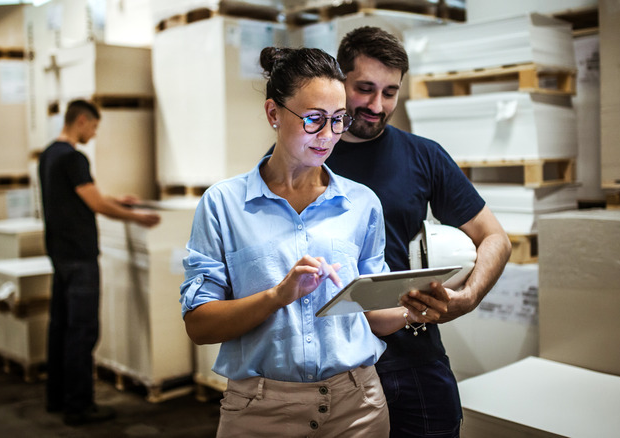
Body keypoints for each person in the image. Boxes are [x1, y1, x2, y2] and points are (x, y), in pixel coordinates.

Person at [180, 47, 435, 438]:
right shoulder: (224, 204)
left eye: (338, 119)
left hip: (357, 407)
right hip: (259, 412)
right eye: (314, 119)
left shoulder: (362, 203)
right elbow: (199, 326)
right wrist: (278, 295)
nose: (328, 136)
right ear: (273, 113)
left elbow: (370, 314)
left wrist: (413, 310)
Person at [327, 27, 513, 437]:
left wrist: (468, 297)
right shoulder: (305, 156)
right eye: (365, 89)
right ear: (340, 81)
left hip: (413, 356)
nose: (377, 105)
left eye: (390, 92)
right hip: (333, 362)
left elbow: (495, 238)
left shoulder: (423, 155)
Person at [38, 99, 161, 426]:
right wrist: (137, 217)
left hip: (59, 254)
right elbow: (95, 204)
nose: (93, 133)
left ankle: (56, 398)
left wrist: (116, 199)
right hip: (80, 256)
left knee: (60, 327)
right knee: (83, 331)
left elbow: (79, 196)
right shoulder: (74, 157)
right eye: (93, 127)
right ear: (81, 120)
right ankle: (79, 406)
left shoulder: (49, 154)